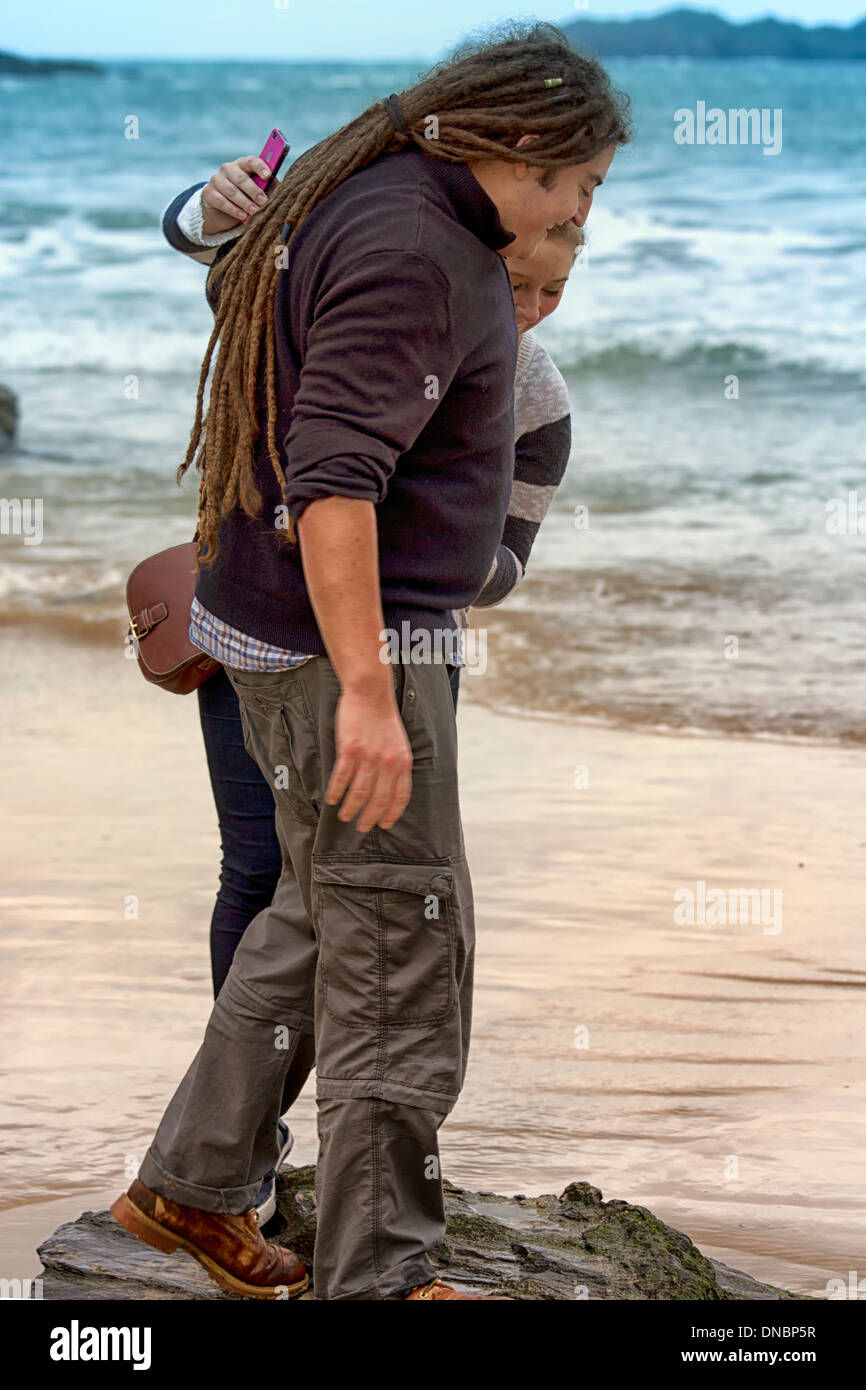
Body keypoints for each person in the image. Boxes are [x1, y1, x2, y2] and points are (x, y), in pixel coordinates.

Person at [111, 21, 630, 1301]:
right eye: (578, 194)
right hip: (353, 648)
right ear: (523, 147)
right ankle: (380, 1275)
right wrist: (365, 693)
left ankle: (190, 1178)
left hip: (312, 633)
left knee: (318, 909)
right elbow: (333, 485)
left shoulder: (366, 190)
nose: (574, 224)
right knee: (403, 949)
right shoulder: (416, 245)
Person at [165, 177, 583, 1225]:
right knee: (271, 880)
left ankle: (214, 1181)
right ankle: (245, 1171)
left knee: (344, 913)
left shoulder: (526, 390)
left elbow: (501, 562)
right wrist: (210, 195)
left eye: (552, 292)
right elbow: (209, 249)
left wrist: (385, 542)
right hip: (258, 645)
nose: (526, 309)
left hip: (394, 666)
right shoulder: (379, 286)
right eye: (514, 283)